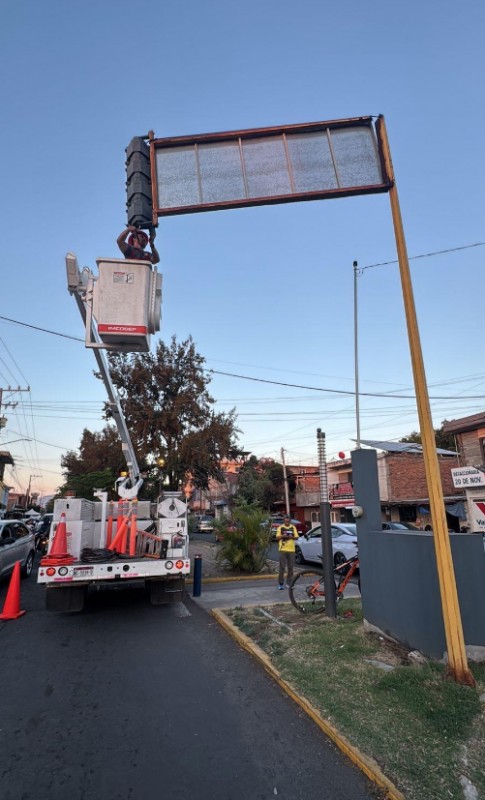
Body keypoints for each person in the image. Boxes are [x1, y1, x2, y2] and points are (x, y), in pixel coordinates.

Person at [275, 515, 299, 590]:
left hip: (291, 550)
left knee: (291, 568)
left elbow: (297, 537)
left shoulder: (293, 527)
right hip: (283, 549)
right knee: (282, 567)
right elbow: (277, 537)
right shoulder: (280, 527)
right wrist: (283, 535)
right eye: (286, 521)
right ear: (284, 521)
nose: (287, 522)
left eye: (288, 521)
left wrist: (291, 537)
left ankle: (289, 584)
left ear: (290, 521)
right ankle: (281, 584)